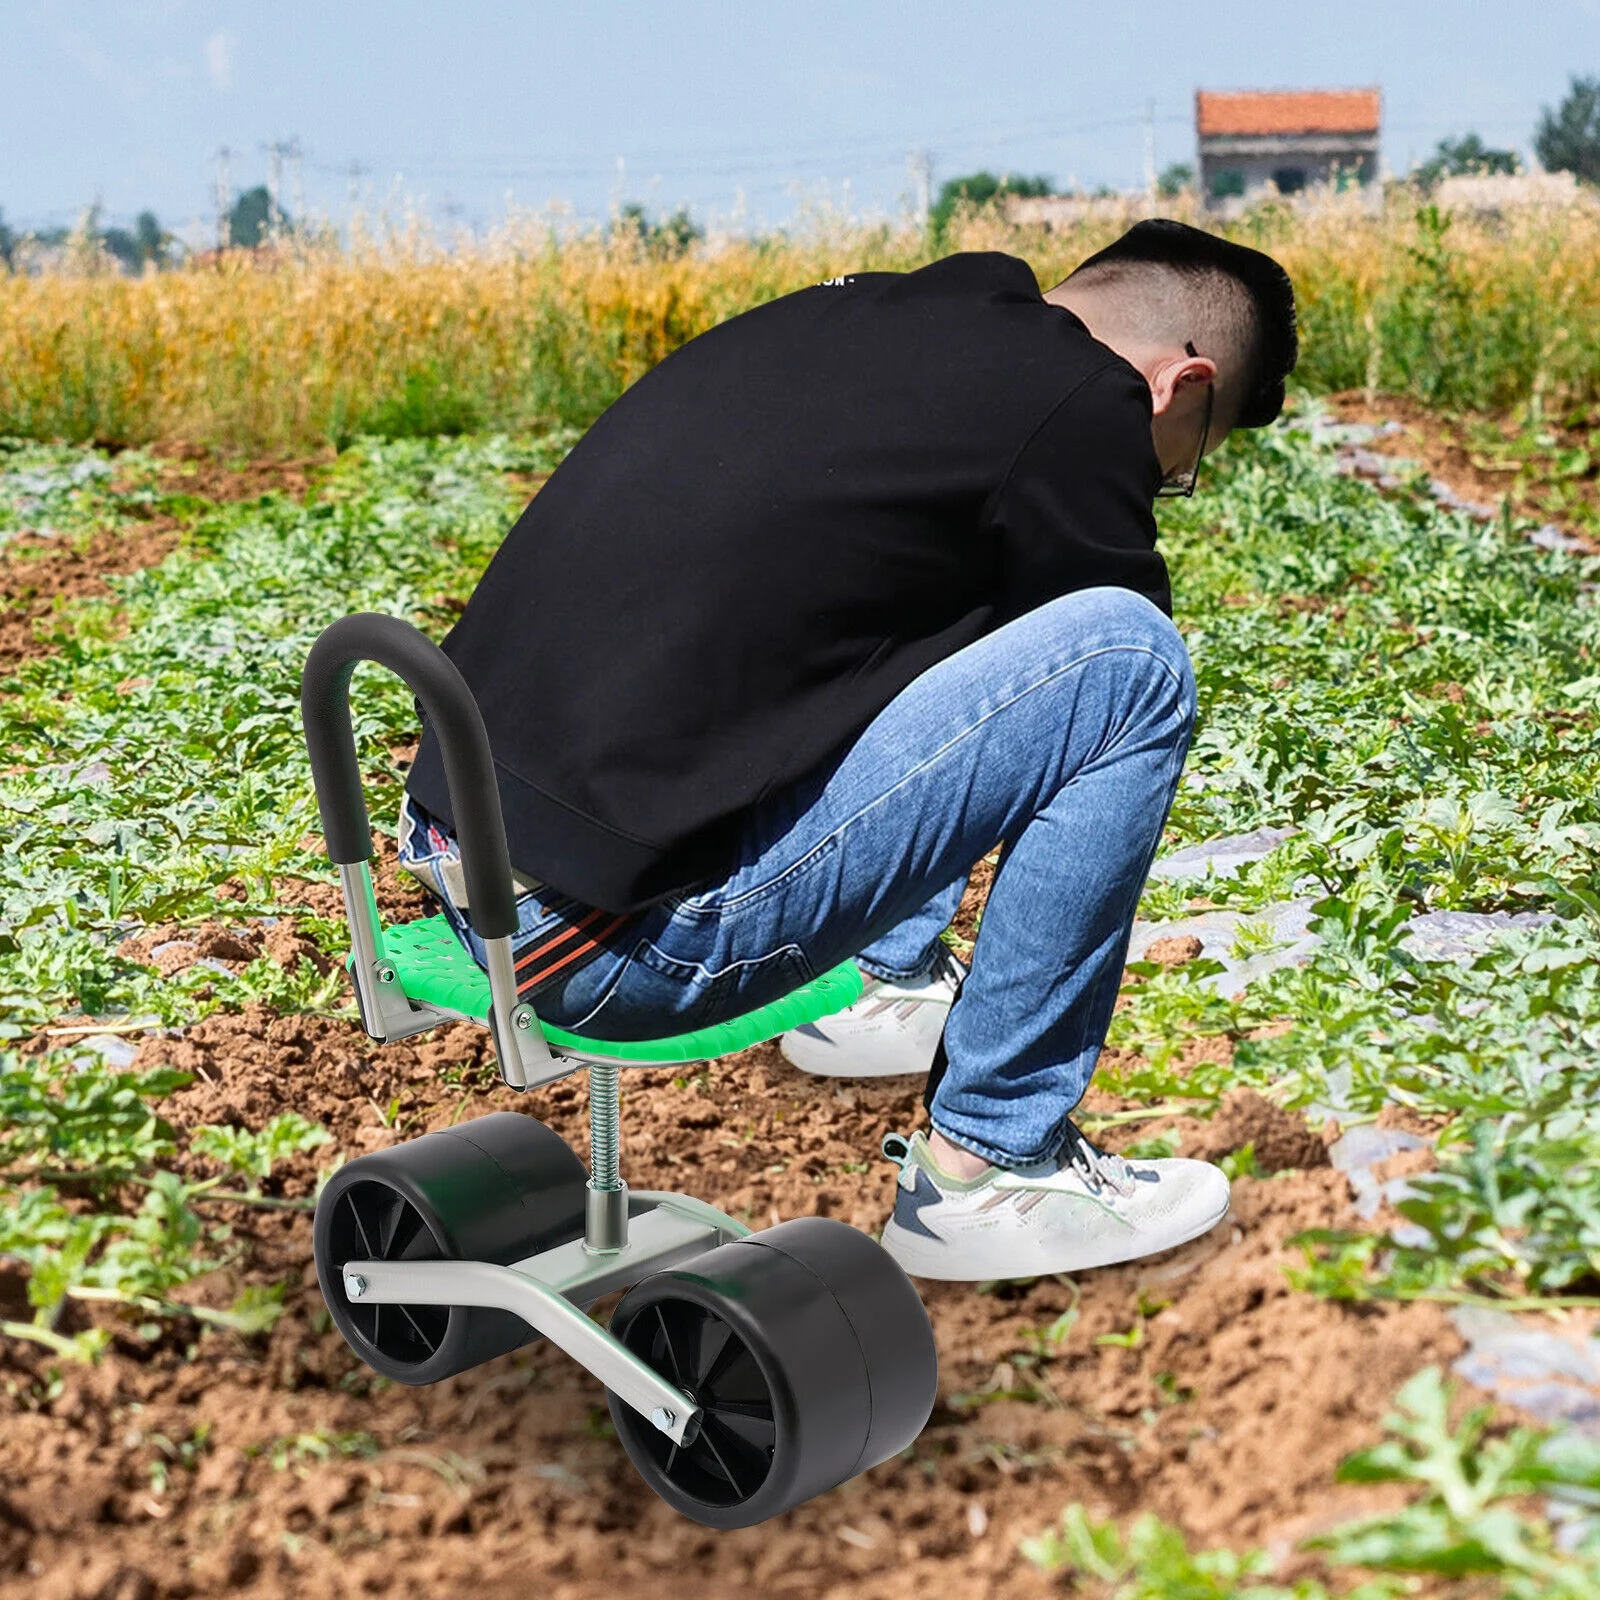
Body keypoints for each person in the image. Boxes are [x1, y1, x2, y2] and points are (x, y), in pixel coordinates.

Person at [397, 218, 1298, 1282]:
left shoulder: (868, 310)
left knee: (947, 591)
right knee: (1127, 662)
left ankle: (892, 980)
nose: (1169, 478)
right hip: (608, 945)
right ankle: (992, 1164)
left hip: (460, 857)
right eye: (1188, 460)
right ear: (1183, 385)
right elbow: (1071, 681)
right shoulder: (1082, 398)